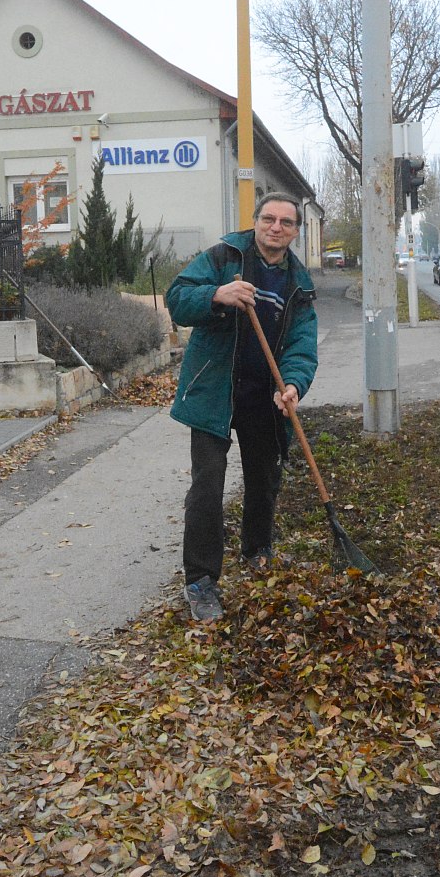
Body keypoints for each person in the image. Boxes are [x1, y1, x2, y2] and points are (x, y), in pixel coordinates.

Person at [166, 194, 318, 622]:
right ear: (254, 222)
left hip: (262, 394)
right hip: (215, 391)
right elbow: (177, 299)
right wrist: (217, 294)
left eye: (286, 222)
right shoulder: (223, 257)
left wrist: (292, 383)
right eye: (268, 219)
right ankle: (200, 581)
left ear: (295, 231)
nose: (276, 227)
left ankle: (257, 552)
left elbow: (303, 345)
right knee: (207, 486)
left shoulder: (299, 284)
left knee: (264, 479)